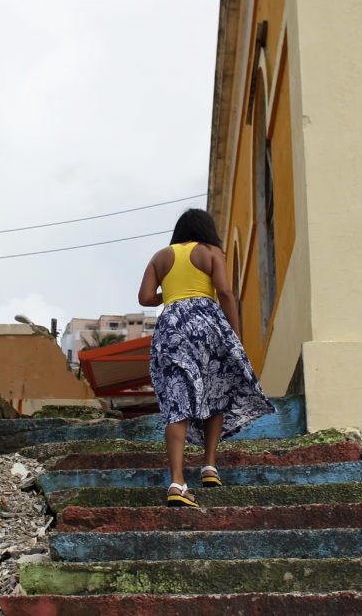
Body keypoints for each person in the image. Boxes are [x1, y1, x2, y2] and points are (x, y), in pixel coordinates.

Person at [138, 208, 276, 507]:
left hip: (172, 326)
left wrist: (172, 291)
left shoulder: (160, 256)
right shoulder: (211, 251)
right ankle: (210, 466)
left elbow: (145, 298)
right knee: (217, 390)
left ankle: (177, 482)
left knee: (177, 402)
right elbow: (225, 292)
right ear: (206, 230)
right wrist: (234, 333)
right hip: (207, 321)